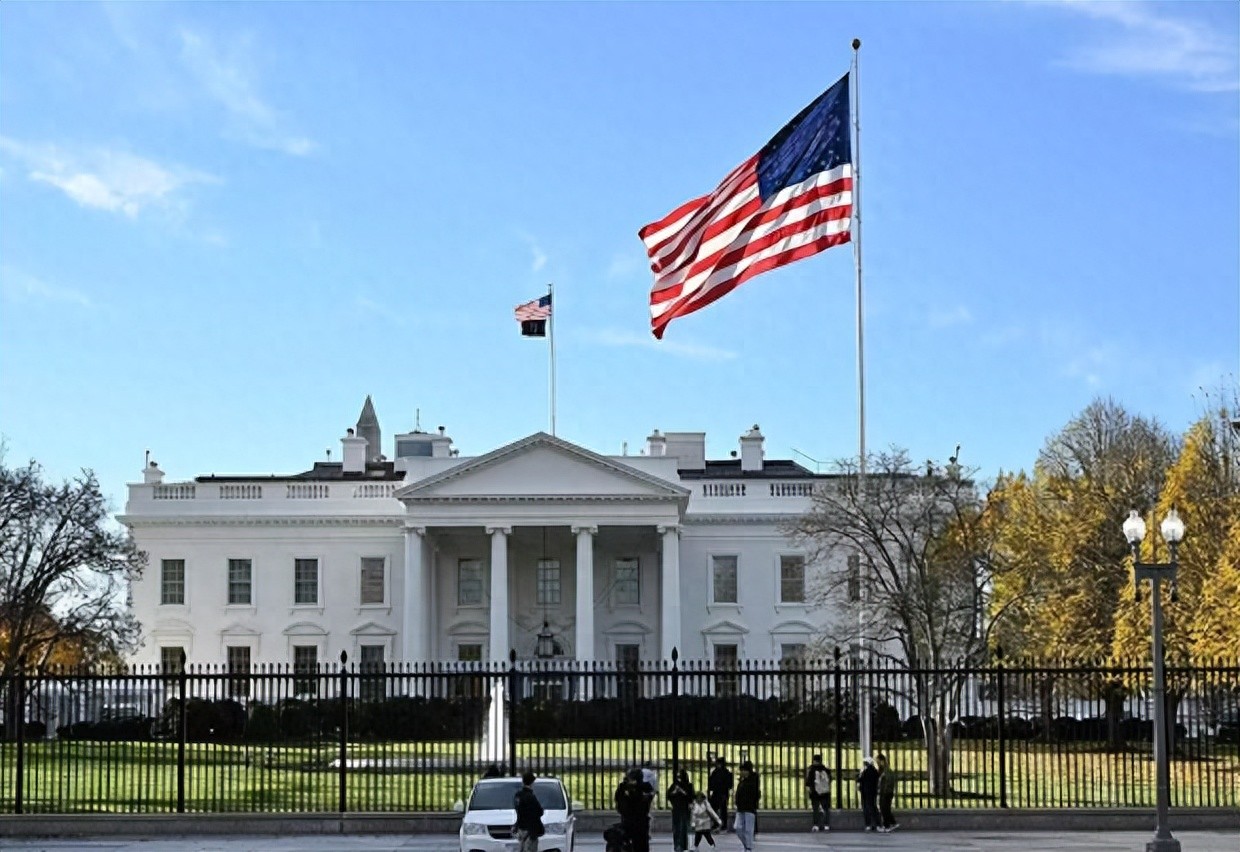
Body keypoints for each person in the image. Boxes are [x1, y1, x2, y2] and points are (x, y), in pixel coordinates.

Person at [615, 767, 655, 852]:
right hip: (629, 820)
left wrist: (634, 787)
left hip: (640, 820)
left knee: (641, 844)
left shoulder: (644, 787)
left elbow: (645, 797)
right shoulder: (624, 787)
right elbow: (619, 800)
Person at [513, 771, 545, 852]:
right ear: (532, 783)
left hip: (520, 828)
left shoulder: (518, 795)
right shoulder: (530, 797)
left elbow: (518, 810)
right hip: (530, 830)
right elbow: (539, 811)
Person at [733, 760, 760, 852]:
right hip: (740, 808)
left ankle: (748, 847)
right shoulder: (742, 781)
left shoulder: (753, 780)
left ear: (748, 771)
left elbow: (755, 794)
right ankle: (746, 845)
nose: (741, 772)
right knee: (737, 827)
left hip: (749, 808)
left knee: (749, 830)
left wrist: (753, 803)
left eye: (743, 770)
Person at [666, 768, 694, 852]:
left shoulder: (689, 785)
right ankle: (677, 845)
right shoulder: (674, 785)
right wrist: (675, 791)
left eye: (680, 776)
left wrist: (682, 791)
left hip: (684, 809)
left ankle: (683, 845)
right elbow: (669, 795)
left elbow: (691, 797)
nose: (679, 778)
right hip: (676, 809)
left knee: (683, 828)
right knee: (676, 828)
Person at [804, 752, 831, 832]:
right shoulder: (825, 769)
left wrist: (809, 790)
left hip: (815, 792)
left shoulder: (811, 769)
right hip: (825, 792)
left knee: (815, 809)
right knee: (826, 809)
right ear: (820, 760)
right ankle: (826, 825)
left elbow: (808, 781)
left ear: (814, 760)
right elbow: (830, 779)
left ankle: (816, 825)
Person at [706, 757, 733, 834]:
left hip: (721, 793)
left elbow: (728, 784)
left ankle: (720, 825)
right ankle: (719, 824)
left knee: (721, 810)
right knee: (718, 809)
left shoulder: (721, 773)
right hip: (719, 793)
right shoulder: (720, 772)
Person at [876, 753, 899, 833]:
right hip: (886, 792)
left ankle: (887, 825)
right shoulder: (885, 770)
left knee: (884, 809)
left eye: (878, 761)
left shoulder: (886, 771)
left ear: (882, 761)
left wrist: (883, 790)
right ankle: (892, 823)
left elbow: (887, 782)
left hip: (886, 793)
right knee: (886, 809)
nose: (877, 763)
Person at [857, 756, 880, 832]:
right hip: (872, 792)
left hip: (866, 792)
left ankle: (868, 824)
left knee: (867, 808)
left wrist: (860, 774)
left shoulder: (866, 771)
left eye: (865, 763)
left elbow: (859, 779)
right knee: (873, 807)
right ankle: (877, 824)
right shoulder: (875, 771)